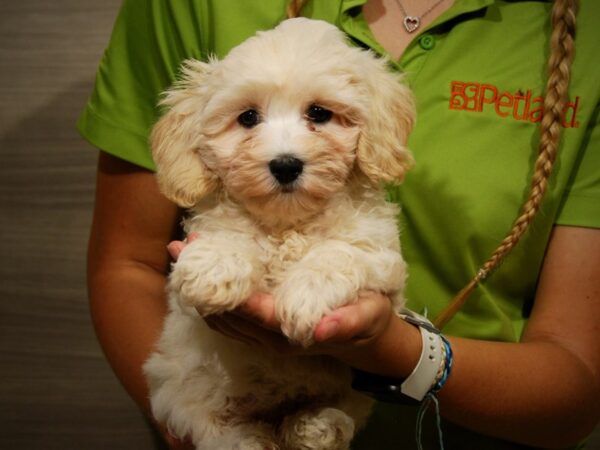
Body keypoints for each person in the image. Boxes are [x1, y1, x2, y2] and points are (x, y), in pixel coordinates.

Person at [79, 0, 600, 448]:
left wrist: (389, 349)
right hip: (216, 397)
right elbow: (126, 263)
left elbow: (578, 385)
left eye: (319, 115)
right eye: (249, 119)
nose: (286, 151)